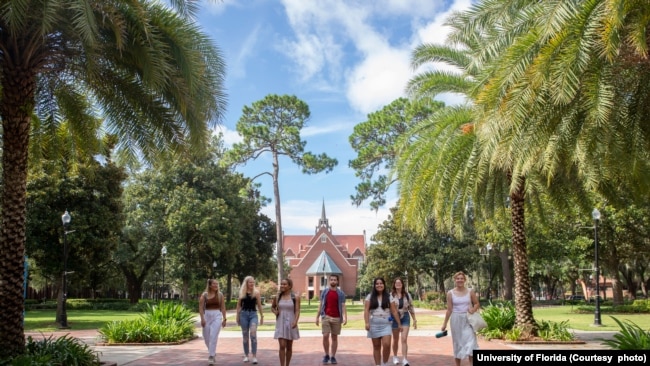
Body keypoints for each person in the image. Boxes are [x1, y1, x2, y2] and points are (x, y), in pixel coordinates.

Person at [441, 271, 480, 366]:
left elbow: (477, 303)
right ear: (455, 280)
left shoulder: (470, 291)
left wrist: (473, 309)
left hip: (468, 319)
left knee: (471, 342)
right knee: (457, 343)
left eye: (461, 278)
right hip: (456, 319)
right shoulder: (450, 293)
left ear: (465, 280)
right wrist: (444, 324)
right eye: (458, 278)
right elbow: (449, 310)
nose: (460, 280)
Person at [364, 277, 401, 366]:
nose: (379, 285)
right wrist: (367, 322)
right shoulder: (370, 296)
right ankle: (378, 364)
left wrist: (399, 323)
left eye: (381, 283)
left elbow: (394, 311)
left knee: (387, 344)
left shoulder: (389, 296)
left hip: (386, 323)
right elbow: (366, 310)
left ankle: (384, 363)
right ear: (374, 285)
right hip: (374, 323)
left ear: (384, 285)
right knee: (376, 346)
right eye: (377, 283)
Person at [316, 274, 348, 364]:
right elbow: (321, 305)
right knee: (325, 335)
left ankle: (333, 356)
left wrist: (345, 317)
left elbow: (343, 306)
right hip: (326, 316)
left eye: (335, 280)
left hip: (337, 318)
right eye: (332, 280)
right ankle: (326, 355)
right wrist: (317, 317)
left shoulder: (341, 293)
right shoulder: (325, 292)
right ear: (329, 281)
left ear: (337, 281)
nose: (333, 281)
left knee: (334, 337)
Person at [271, 278, 301, 366]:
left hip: (291, 322)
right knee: (282, 345)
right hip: (280, 322)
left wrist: (295, 321)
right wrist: (275, 311)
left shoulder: (295, 297)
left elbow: (297, 310)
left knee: (289, 346)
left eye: (284, 284)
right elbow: (272, 307)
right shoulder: (277, 297)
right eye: (281, 284)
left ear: (290, 286)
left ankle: (287, 364)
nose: (282, 286)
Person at [236, 276, 264, 364]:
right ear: (246, 283)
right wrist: (237, 316)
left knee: (253, 334)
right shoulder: (242, 293)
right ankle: (246, 355)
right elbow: (239, 306)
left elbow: (259, 305)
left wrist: (262, 316)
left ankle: (254, 356)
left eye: (253, 282)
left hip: (253, 315)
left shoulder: (256, 293)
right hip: (243, 315)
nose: (252, 284)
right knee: (245, 336)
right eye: (250, 282)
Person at [199, 279, 227, 365]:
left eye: (217, 284)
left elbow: (222, 307)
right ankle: (213, 352)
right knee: (206, 337)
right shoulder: (204, 295)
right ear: (210, 285)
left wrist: (224, 319)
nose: (216, 285)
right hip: (207, 315)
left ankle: (211, 356)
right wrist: (202, 319)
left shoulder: (220, 295)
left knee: (213, 336)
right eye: (214, 284)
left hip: (217, 315)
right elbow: (200, 308)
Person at [390, 277, 417, 366]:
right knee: (396, 339)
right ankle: (395, 356)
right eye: (396, 283)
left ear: (402, 284)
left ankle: (405, 359)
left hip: (405, 316)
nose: (398, 284)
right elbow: (389, 308)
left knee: (404, 338)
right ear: (394, 284)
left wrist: (414, 319)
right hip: (394, 318)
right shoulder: (391, 295)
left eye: (400, 283)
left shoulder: (407, 295)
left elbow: (411, 307)